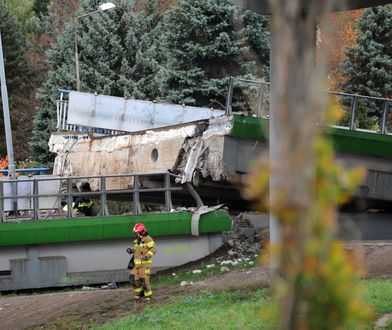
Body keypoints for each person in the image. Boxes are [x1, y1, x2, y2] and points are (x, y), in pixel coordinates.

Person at [126, 223, 156, 301]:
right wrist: (131, 250)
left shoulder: (148, 238)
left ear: (140, 231)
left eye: (136, 232)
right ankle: (138, 294)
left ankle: (148, 296)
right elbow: (136, 250)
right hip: (136, 265)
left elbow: (153, 249)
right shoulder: (136, 241)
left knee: (144, 280)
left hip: (145, 264)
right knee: (133, 278)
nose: (135, 234)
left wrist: (147, 256)